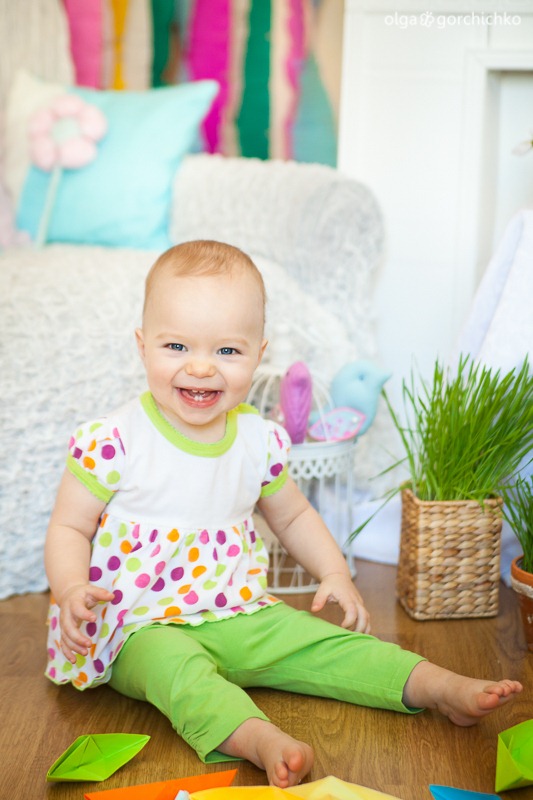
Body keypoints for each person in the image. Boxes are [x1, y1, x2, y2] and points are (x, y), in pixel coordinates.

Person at [44, 240, 522, 789]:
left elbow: (292, 517)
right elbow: (69, 527)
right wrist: (71, 588)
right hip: (137, 625)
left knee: (319, 642)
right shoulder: (116, 440)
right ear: (142, 345)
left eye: (227, 351)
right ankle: (257, 738)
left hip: (238, 610)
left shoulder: (256, 440)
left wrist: (335, 572)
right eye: (176, 345)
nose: (201, 367)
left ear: (258, 352)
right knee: (178, 673)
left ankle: (438, 686)